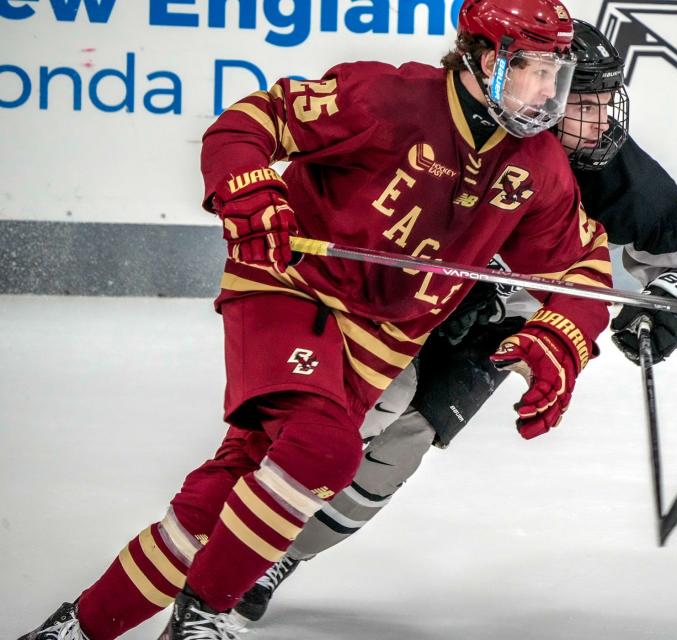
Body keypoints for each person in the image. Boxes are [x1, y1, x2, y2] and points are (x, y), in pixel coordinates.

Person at [18, 1, 615, 639]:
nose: (550, 91)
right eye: (534, 69)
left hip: (379, 343)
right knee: (322, 452)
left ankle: (77, 629)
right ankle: (206, 614)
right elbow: (248, 123)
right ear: (484, 57)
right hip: (289, 288)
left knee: (227, 495)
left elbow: (582, 267)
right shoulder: (384, 97)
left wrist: (560, 336)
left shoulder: (539, 167)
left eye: (558, 71)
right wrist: (248, 189)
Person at [230, 18, 677, 623]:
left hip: (501, 313)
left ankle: (282, 552)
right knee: (352, 414)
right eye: (584, 104)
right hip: (403, 291)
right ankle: (235, 537)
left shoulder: (608, 166)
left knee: (409, 437)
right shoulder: (457, 126)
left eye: (606, 104)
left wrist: (668, 308)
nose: (602, 124)